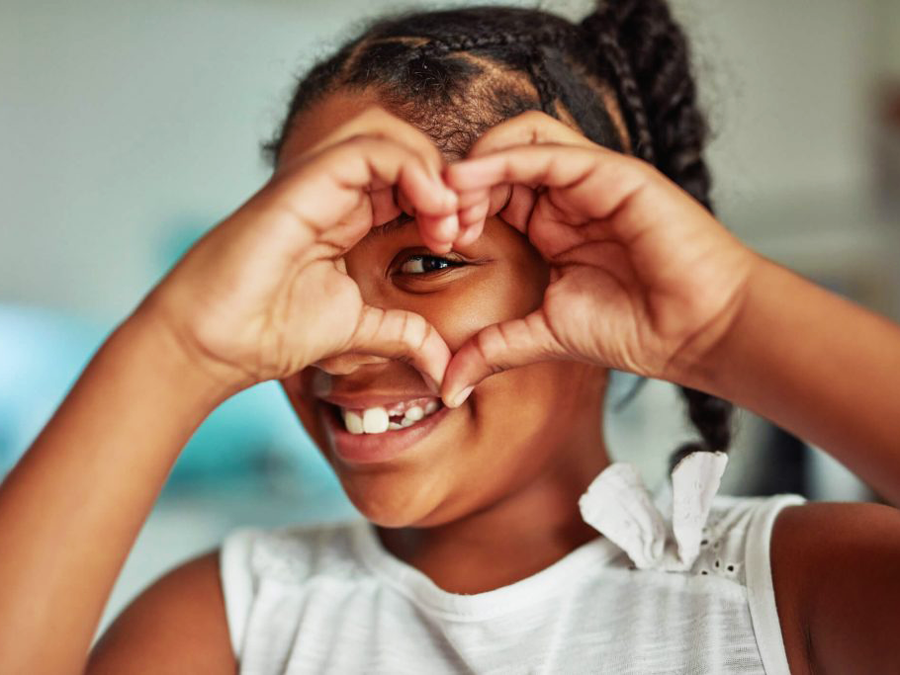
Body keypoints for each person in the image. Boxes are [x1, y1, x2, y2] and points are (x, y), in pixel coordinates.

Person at [2, 2, 899, 673]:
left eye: (428, 262)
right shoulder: (234, 622)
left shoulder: (788, 593)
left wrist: (728, 319)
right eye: (310, 267)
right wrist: (177, 350)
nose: (340, 347)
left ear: (598, 266)